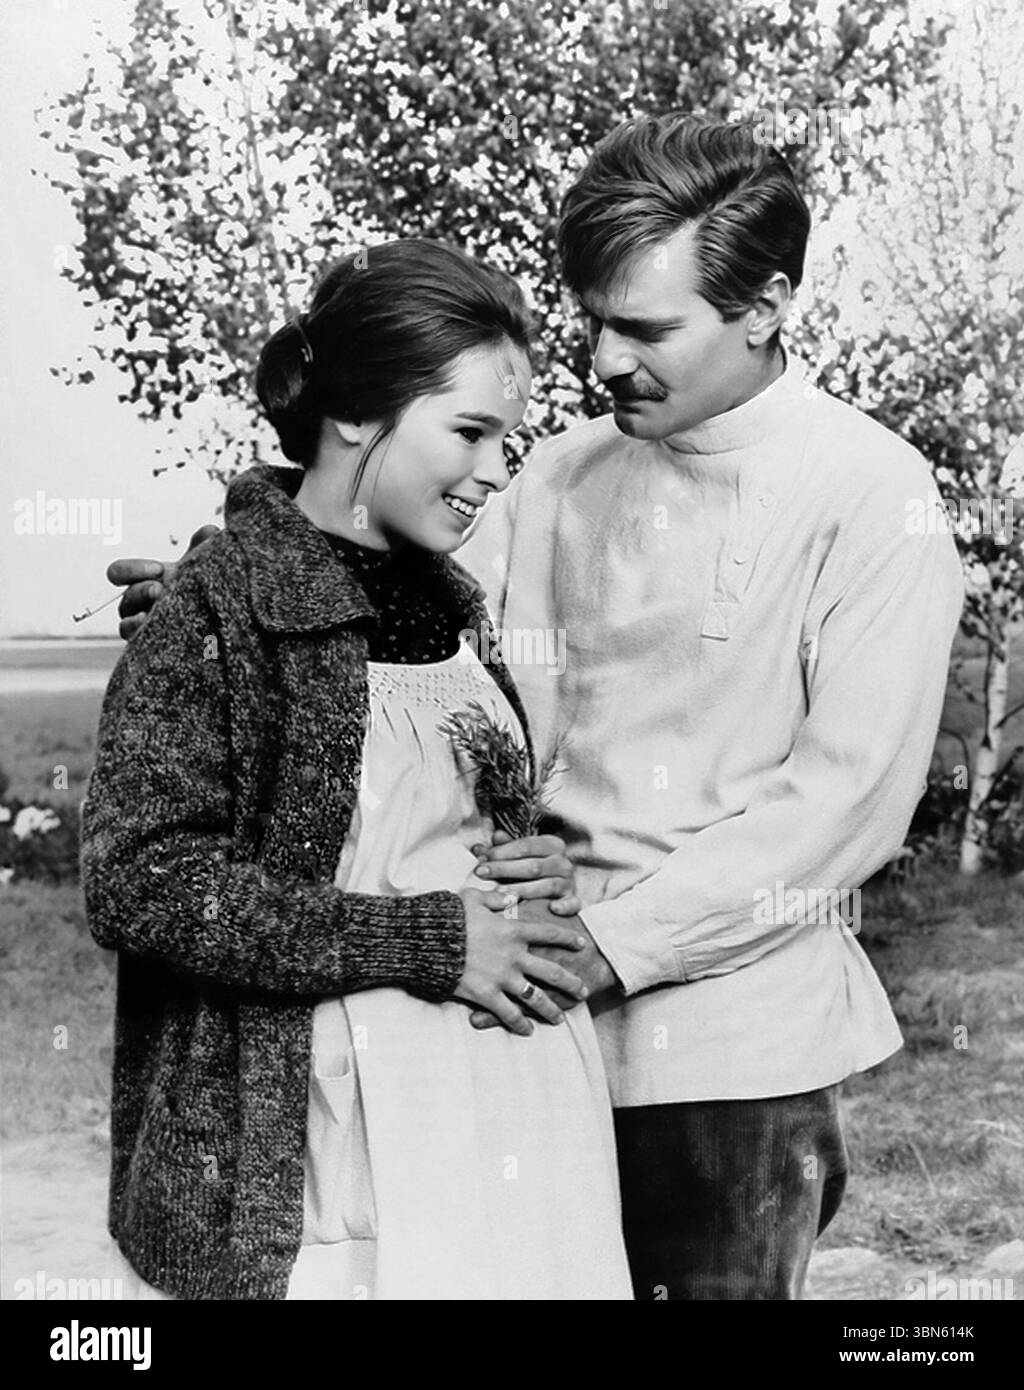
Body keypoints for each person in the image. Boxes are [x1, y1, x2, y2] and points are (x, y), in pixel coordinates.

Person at [109, 115, 965, 1300]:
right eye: (594, 318)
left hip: (721, 1060)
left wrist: (603, 948)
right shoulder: (560, 468)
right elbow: (394, 604)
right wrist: (216, 600)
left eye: (647, 327)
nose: (604, 359)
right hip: (507, 1035)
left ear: (764, 306)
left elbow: (845, 807)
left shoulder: (869, 493)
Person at [82, 238, 633, 1301]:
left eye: (507, 441)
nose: (494, 472)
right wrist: (427, 939)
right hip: (338, 1145)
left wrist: (531, 874)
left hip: (514, 1127)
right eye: (470, 432)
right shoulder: (217, 603)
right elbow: (142, 882)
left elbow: (448, 828)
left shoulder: (455, 604)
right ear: (353, 415)